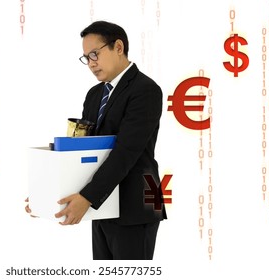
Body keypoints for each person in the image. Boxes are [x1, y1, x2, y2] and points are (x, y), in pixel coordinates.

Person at [26, 20, 166, 260]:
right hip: (101, 207)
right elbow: (81, 152)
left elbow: (126, 152)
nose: (91, 64)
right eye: (86, 58)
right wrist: (49, 195)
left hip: (133, 205)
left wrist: (88, 197)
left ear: (118, 47)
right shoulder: (95, 94)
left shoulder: (145, 90)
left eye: (94, 54)